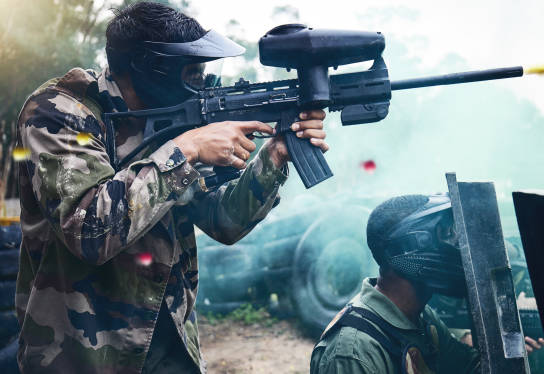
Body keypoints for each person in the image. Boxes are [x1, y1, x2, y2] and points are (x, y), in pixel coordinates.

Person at [14, 2, 328, 373]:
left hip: (168, 342)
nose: (202, 84)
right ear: (152, 69)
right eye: (192, 73)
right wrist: (188, 149)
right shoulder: (59, 112)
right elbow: (90, 231)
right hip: (82, 353)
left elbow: (223, 220)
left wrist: (273, 158)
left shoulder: (174, 118)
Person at [310, 194, 543, 374]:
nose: (457, 248)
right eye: (446, 235)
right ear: (409, 248)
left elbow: (468, 369)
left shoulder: (420, 318)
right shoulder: (354, 351)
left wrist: (510, 350)